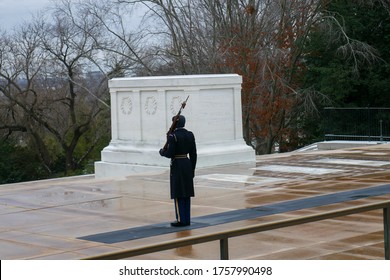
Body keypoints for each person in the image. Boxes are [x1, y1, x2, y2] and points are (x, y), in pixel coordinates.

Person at [159, 115, 197, 227]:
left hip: (177, 165)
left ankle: (181, 219)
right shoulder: (190, 135)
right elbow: (194, 154)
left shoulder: (173, 136)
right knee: (186, 193)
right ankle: (187, 219)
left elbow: (170, 153)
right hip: (187, 163)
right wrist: (192, 169)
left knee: (178, 193)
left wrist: (162, 152)